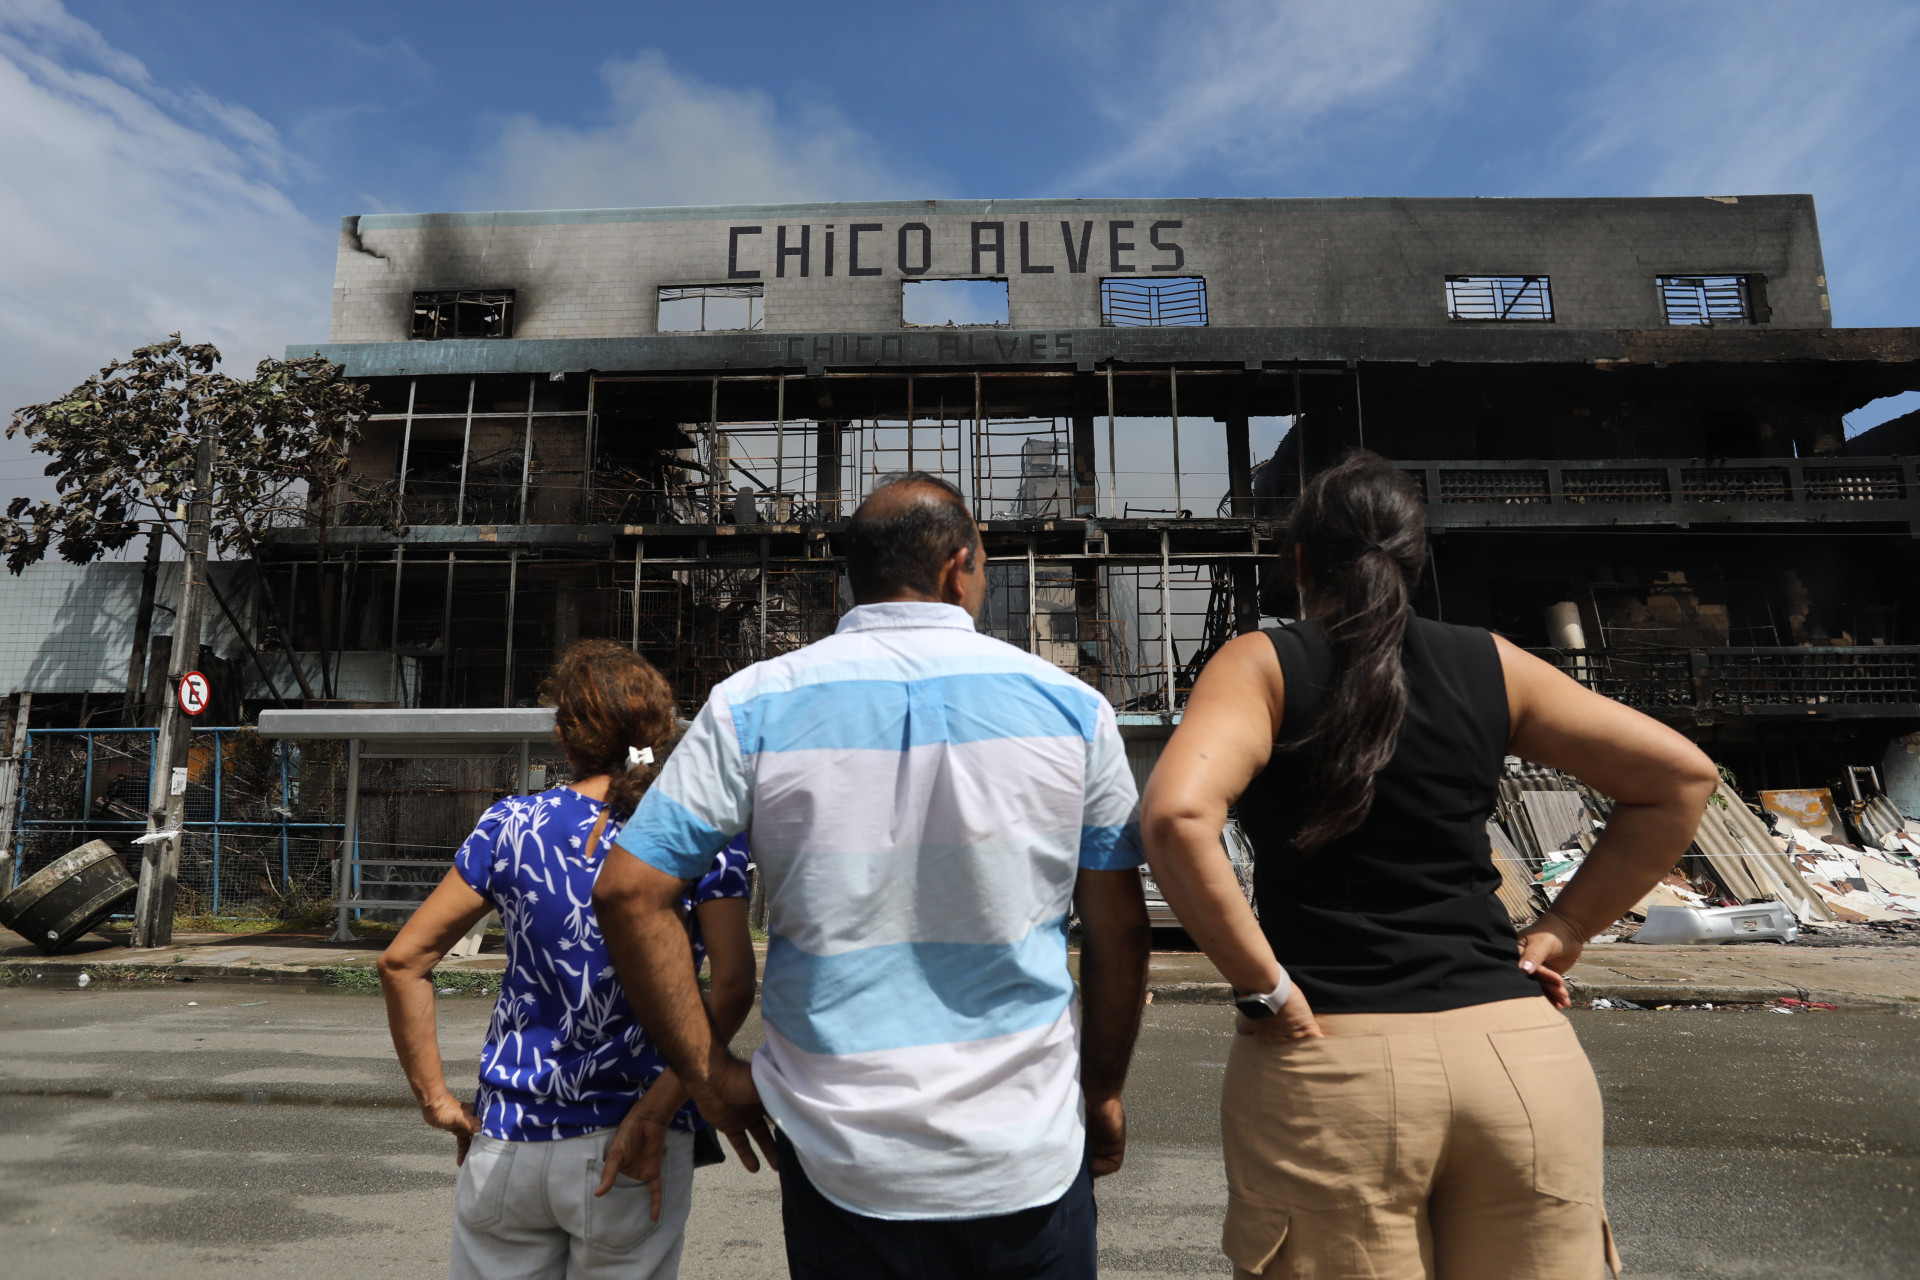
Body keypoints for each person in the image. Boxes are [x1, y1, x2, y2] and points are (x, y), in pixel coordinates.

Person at [1140, 451, 1718, 1280]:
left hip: (1332, 1057)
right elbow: (1681, 779)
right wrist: (1563, 928)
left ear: (1300, 563)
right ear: (1415, 559)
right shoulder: (1491, 661)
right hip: (1520, 1060)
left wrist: (1263, 987)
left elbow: (1176, 815)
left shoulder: (1263, 665)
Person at [592, 472, 1151, 1280]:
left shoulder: (752, 704)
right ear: (960, 568)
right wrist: (1099, 1089)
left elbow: (627, 889)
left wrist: (706, 1076)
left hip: (840, 1162)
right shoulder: (1074, 711)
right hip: (1026, 1154)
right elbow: (1119, 929)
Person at [378, 639, 755, 1280]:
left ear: (563, 735)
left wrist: (437, 1100)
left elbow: (402, 961)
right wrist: (664, 1105)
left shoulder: (511, 824)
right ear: (663, 729)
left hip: (506, 1142)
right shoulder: (700, 831)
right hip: (634, 1139)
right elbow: (733, 982)